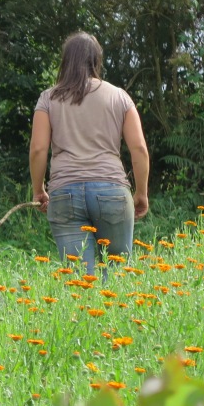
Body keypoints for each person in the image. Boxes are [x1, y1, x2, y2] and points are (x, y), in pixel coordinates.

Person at [29, 32, 149, 276]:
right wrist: (141, 193)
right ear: (96, 60)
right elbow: (139, 149)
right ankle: (114, 314)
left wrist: (39, 189)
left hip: (64, 193)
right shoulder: (119, 97)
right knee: (116, 275)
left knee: (79, 278)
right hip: (112, 190)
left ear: (66, 61)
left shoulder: (48, 99)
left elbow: (39, 149)